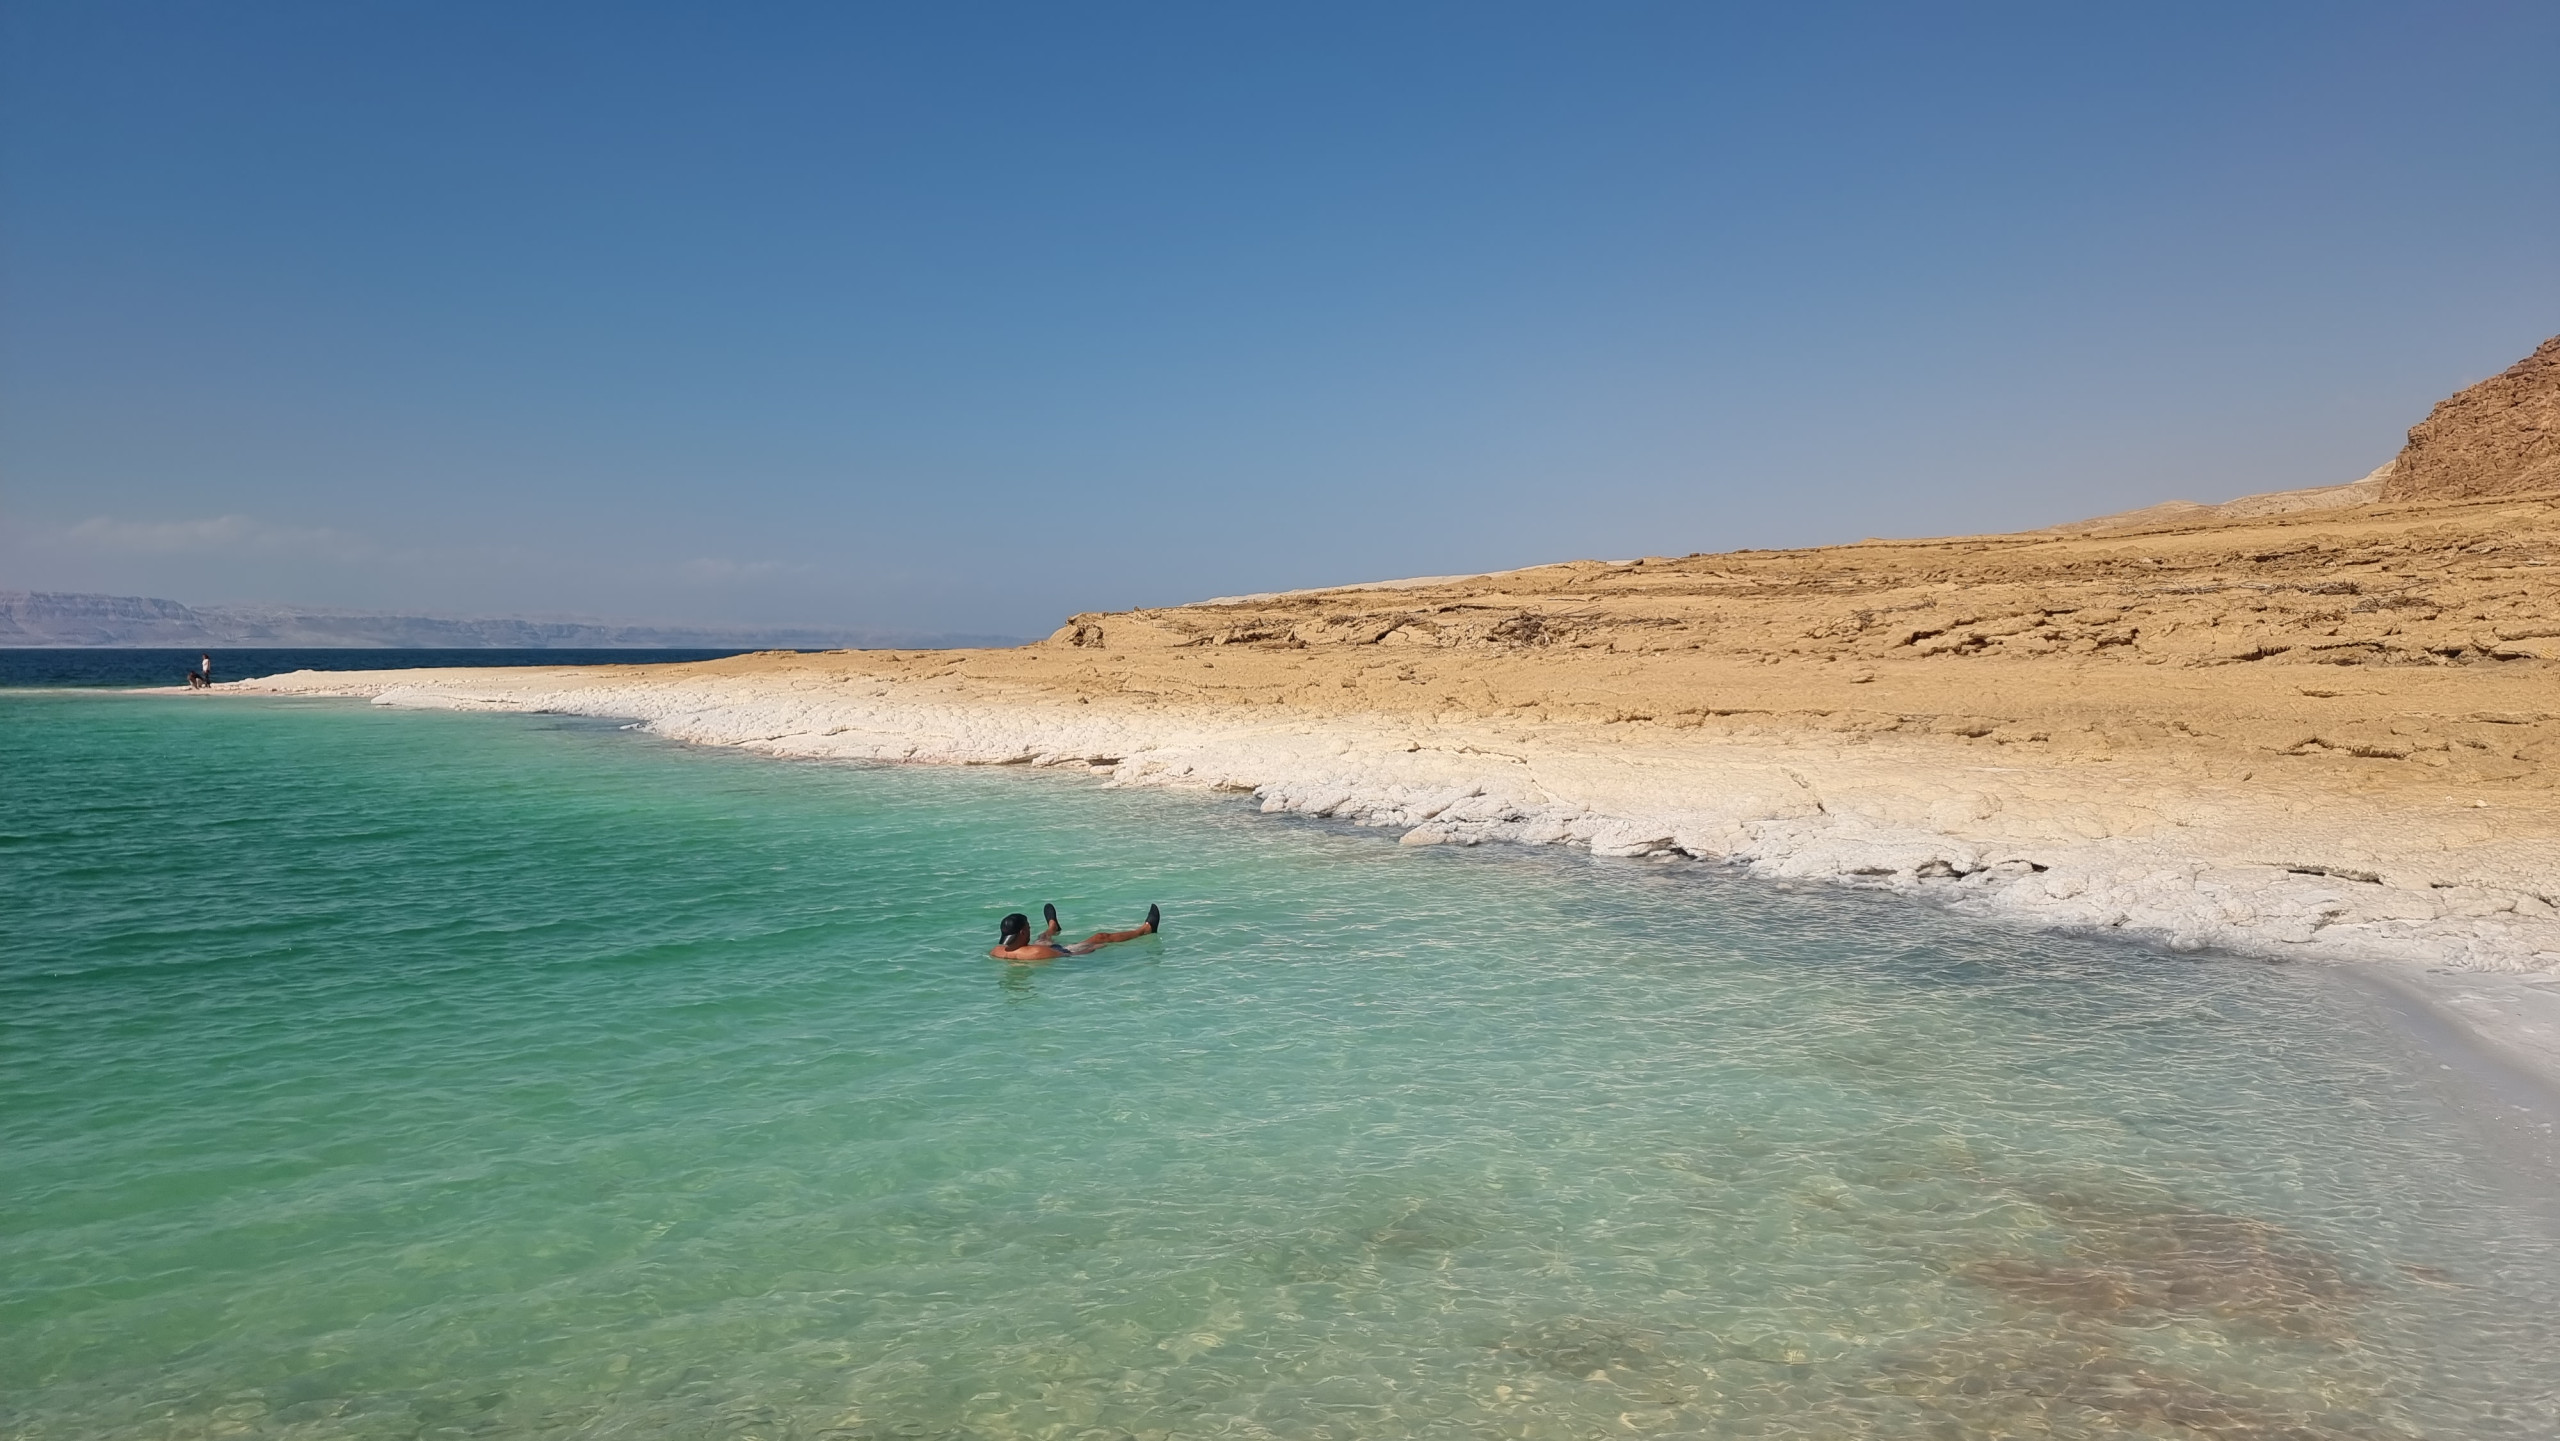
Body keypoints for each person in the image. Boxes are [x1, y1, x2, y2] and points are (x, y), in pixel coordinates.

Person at [990, 902, 1160, 961]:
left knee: (1043, 937)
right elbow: (1070, 956)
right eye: (1028, 926)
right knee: (1102, 936)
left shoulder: (997, 951)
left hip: (1038, 950)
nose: (1029, 928)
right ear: (1021, 933)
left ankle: (1052, 926)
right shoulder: (1038, 952)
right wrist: (1095, 948)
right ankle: (1146, 929)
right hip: (1059, 953)